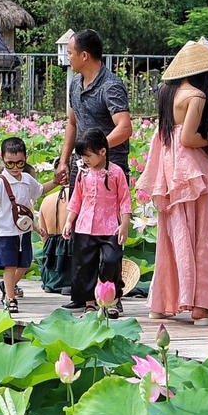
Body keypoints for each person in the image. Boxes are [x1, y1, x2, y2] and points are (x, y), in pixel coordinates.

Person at [136, 41, 208, 324]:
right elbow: (188, 138)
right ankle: (203, 306)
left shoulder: (168, 91)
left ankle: (166, 302)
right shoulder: (197, 95)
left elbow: (173, 135)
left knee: (176, 237)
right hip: (193, 167)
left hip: (169, 166)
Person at [52, 29, 131, 296]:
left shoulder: (111, 85)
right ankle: (82, 291)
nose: (68, 57)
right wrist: (65, 161)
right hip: (82, 168)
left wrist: (99, 152)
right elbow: (72, 123)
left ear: (85, 55)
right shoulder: (75, 84)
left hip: (110, 168)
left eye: (71, 53)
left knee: (110, 236)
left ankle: (112, 292)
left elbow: (125, 127)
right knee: (82, 231)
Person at [0, 136, 57, 313]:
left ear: (25, 159)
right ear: (2, 160)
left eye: (19, 163)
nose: (15, 168)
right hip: (6, 231)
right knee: (10, 265)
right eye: (10, 164)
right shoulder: (1, 181)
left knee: (24, 265)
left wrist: (56, 182)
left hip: (24, 231)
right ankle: (10, 298)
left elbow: (39, 191)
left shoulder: (27, 179)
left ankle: (8, 286)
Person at [61, 128, 130, 316]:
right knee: (85, 266)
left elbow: (125, 200)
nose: (85, 160)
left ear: (103, 151)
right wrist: (69, 222)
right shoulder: (83, 173)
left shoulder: (116, 173)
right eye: (83, 156)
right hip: (84, 226)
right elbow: (76, 199)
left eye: (89, 156)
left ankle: (111, 300)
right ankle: (90, 303)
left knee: (112, 260)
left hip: (110, 227)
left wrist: (124, 224)